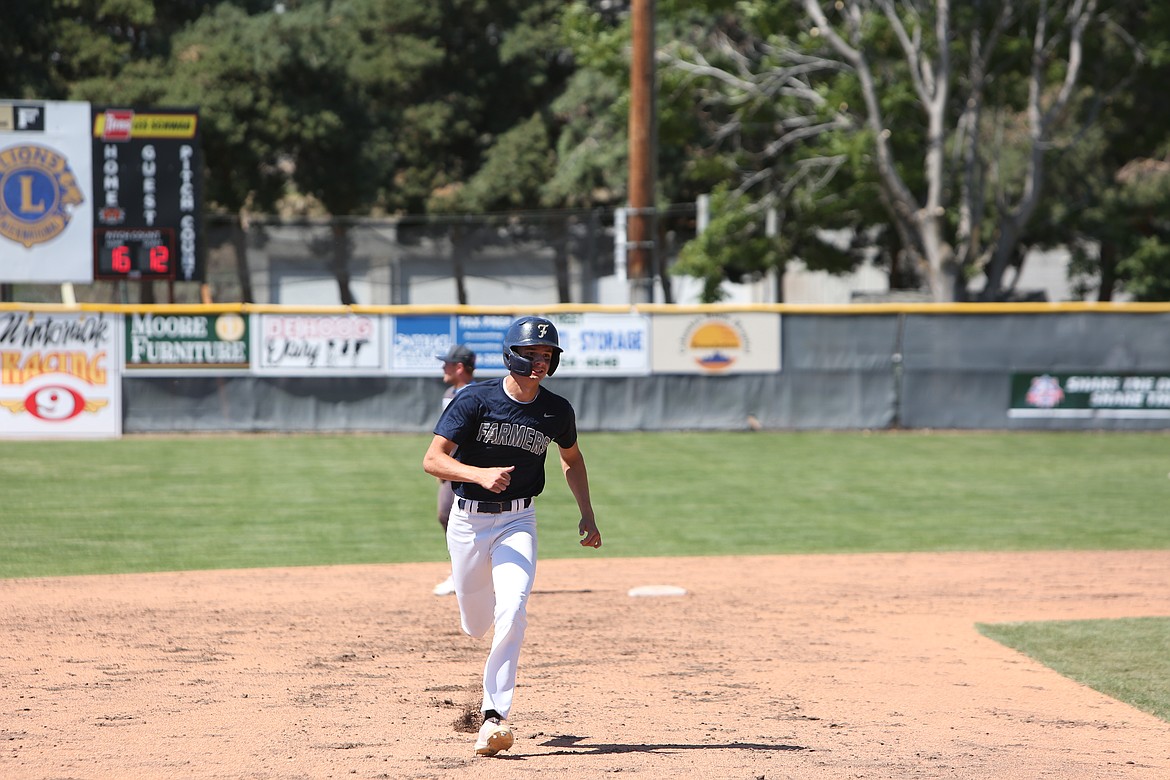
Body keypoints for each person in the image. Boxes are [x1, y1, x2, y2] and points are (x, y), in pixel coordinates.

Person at [422, 315, 602, 758]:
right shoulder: (474, 400)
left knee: (515, 608)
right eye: (531, 354)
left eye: (547, 356)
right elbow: (432, 459)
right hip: (468, 520)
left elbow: (572, 460)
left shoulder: (556, 410)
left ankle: (493, 717)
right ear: (511, 354)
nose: (539, 362)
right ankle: (476, 629)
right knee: (476, 622)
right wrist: (477, 474)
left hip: (518, 521)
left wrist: (587, 513)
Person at [431, 344, 477, 596]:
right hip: (451, 465)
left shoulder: (474, 395)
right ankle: (463, 572)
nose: (443, 367)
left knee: (455, 516)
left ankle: (463, 574)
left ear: (460, 367)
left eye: (447, 363)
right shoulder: (450, 393)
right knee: (446, 515)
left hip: (468, 467)